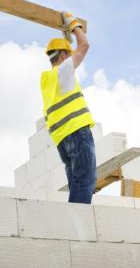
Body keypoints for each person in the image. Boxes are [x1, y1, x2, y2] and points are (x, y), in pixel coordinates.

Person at [40, 12, 96, 204]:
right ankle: (77, 228)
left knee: (76, 182)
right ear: (64, 55)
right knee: (85, 181)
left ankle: (74, 222)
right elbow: (84, 45)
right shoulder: (64, 70)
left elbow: (70, 53)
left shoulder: (47, 79)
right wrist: (74, 24)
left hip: (63, 139)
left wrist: (66, 36)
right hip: (77, 133)